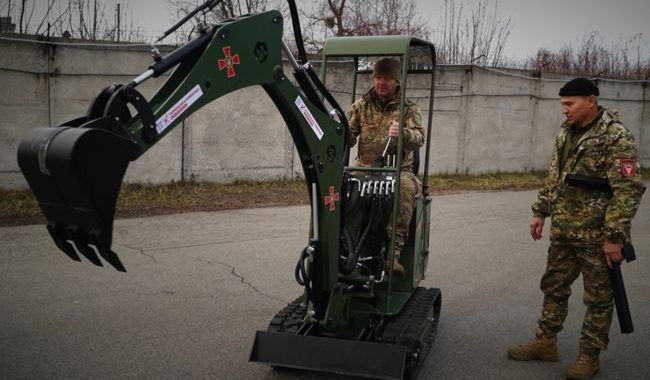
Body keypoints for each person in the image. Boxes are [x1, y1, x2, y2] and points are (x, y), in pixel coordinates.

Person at [507, 78, 645, 380]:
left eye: (569, 104)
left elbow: (628, 189)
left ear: (591, 100)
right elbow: (556, 175)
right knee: (553, 286)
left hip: (598, 236)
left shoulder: (616, 136)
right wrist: (540, 211)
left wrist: (614, 238)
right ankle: (545, 342)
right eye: (562, 105)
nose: (564, 110)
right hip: (565, 230)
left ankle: (589, 356)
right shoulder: (566, 132)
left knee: (598, 298)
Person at [347, 57, 425, 275]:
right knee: (345, 187)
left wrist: (404, 133)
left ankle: (393, 255)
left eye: (388, 78)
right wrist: (337, 130)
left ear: (397, 81)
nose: (382, 82)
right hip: (365, 168)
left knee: (405, 189)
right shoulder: (360, 106)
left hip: (399, 170)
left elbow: (419, 138)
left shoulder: (408, 108)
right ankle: (348, 249)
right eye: (378, 78)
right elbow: (348, 138)